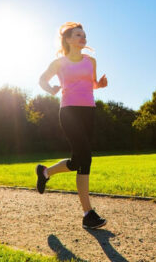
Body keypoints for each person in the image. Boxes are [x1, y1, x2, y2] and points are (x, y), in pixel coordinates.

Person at [36, 22, 108, 229]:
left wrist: (100, 85)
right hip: (69, 112)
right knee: (86, 157)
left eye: (84, 35)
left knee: (78, 161)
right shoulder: (58, 63)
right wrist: (51, 90)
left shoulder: (91, 61)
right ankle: (88, 214)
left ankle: (45, 172)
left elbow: (91, 84)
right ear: (68, 39)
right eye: (78, 34)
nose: (83, 38)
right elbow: (42, 80)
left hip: (89, 112)